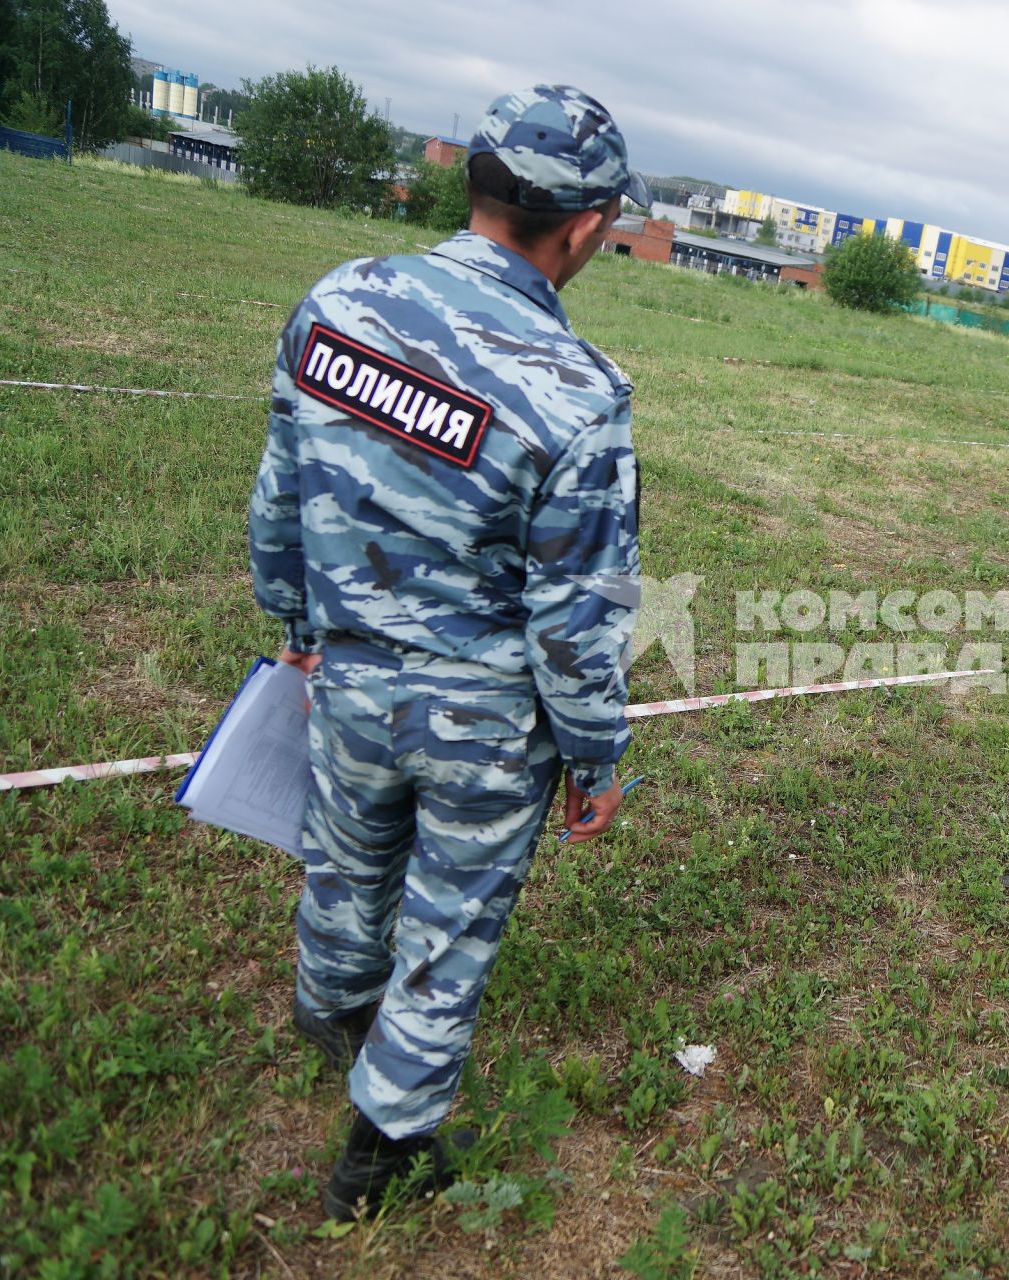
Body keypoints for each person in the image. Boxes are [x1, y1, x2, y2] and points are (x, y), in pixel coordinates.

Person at [248, 84, 653, 1221]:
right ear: (583, 228)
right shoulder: (582, 394)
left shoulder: (337, 302)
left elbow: (279, 494)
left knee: (345, 855)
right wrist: (596, 753)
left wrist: (295, 630)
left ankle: (330, 1008)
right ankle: (385, 1142)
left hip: (346, 672)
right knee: (451, 919)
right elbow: (582, 611)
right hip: (482, 721)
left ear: (475, 183)